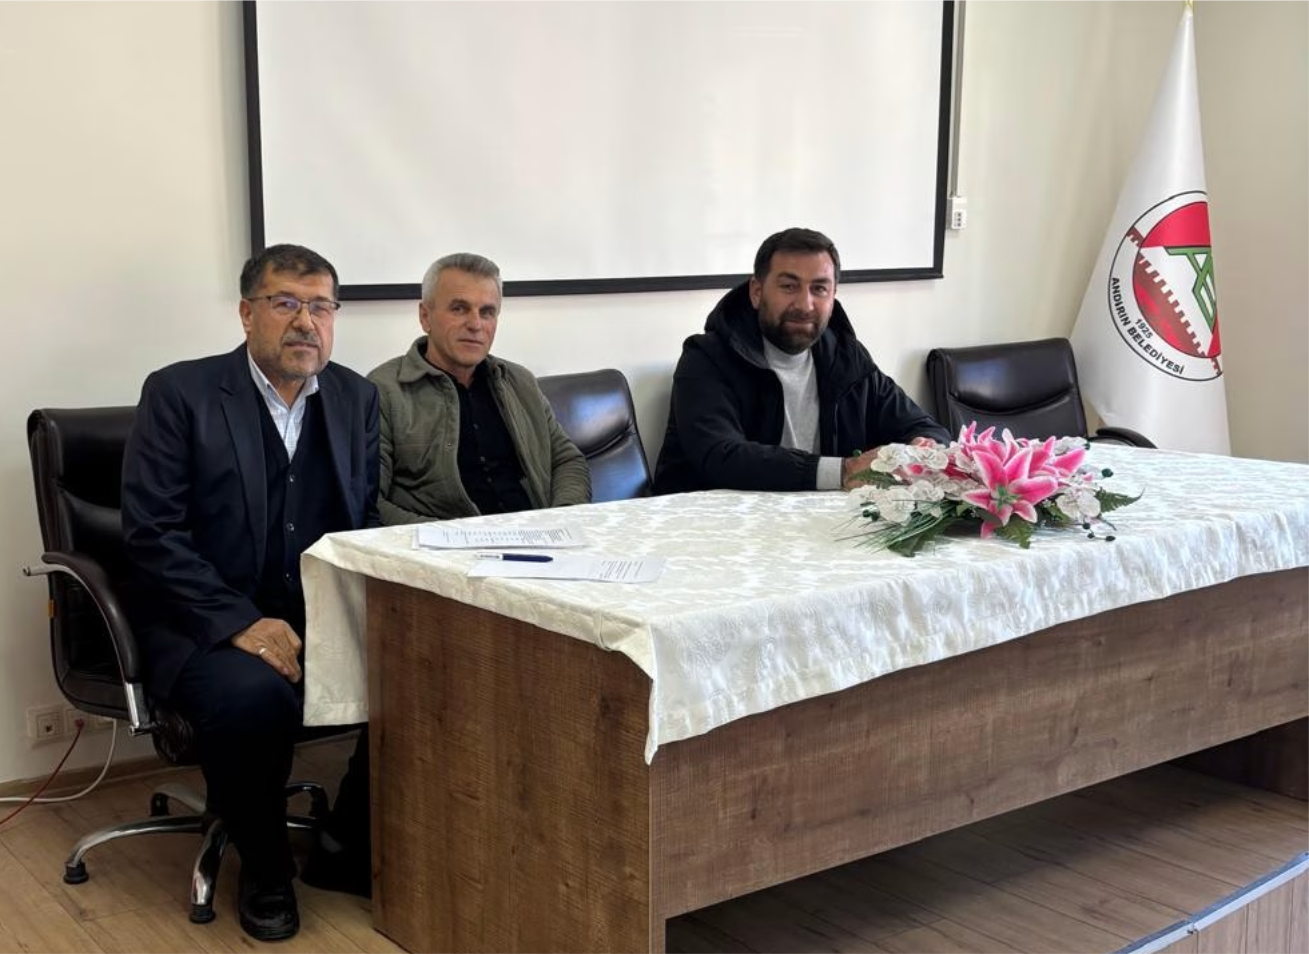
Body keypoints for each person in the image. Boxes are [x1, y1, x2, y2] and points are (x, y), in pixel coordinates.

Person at [121, 244, 378, 942]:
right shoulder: (180, 393)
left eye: (320, 306)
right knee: (253, 694)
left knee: (427, 664)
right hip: (201, 619)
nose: (305, 322)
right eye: (285, 303)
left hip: (315, 613)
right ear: (246, 313)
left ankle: (345, 842)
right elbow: (152, 533)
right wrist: (240, 621)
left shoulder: (356, 398)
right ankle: (265, 870)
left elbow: (364, 520)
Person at [654, 227, 950, 494]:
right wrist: (844, 471)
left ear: (833, 296)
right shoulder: (706, 358)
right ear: (757, 292)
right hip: (714, 523)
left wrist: (922, 448)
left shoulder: (847, 358)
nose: (805, 304)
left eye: (819, 288)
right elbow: (721, 456)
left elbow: (925, 427)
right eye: (789, 286)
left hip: (820, 523)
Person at [368, 252, 590, 523]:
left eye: (487, 312)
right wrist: (446, 538)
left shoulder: (520, 382)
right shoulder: (383, 391)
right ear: (425, 316)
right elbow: (370, 500)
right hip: (440, 543)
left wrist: (562, 518)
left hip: (536, 535)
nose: (475, 324)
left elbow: (567, 461)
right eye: (459, 309)